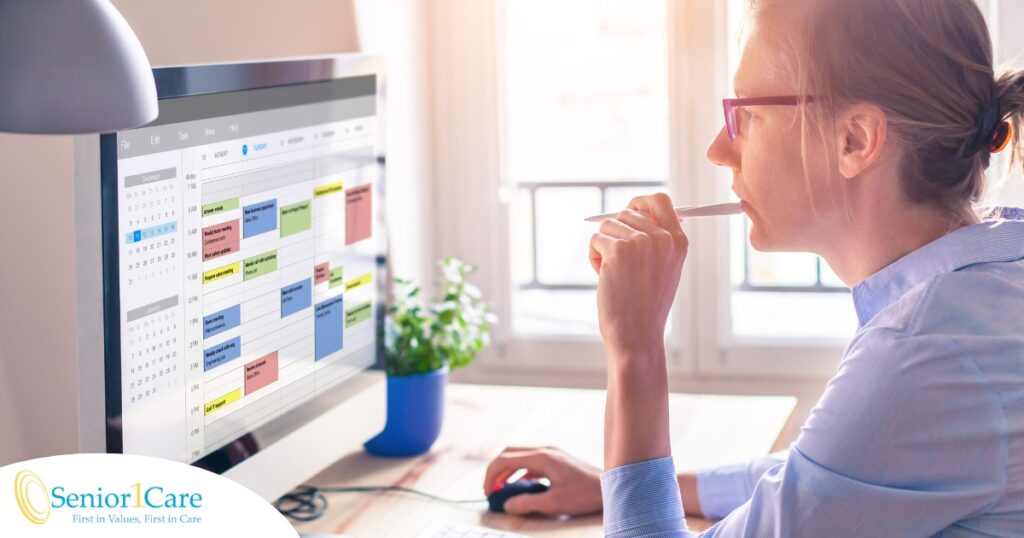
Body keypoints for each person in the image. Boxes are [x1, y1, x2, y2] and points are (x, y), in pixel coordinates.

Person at [483, 0, 1024, 535]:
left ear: (854, 140)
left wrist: (636, 348)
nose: (719, 150)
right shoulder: (987, 288)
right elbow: (825, 477)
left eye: (747, 115)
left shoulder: (922, 354)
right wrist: (618, 483)